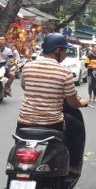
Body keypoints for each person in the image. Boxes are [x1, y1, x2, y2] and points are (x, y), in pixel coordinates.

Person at [17, 33, 87, 175]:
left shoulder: (27, 67)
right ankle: (72, 167)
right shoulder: (64, 72)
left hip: (24, 122)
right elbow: (73, 103)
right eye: (65, 50)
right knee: (78, 129)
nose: (66, 54)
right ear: (57, 51)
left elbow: (25, 86)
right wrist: (83, 102)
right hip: (51, 123)